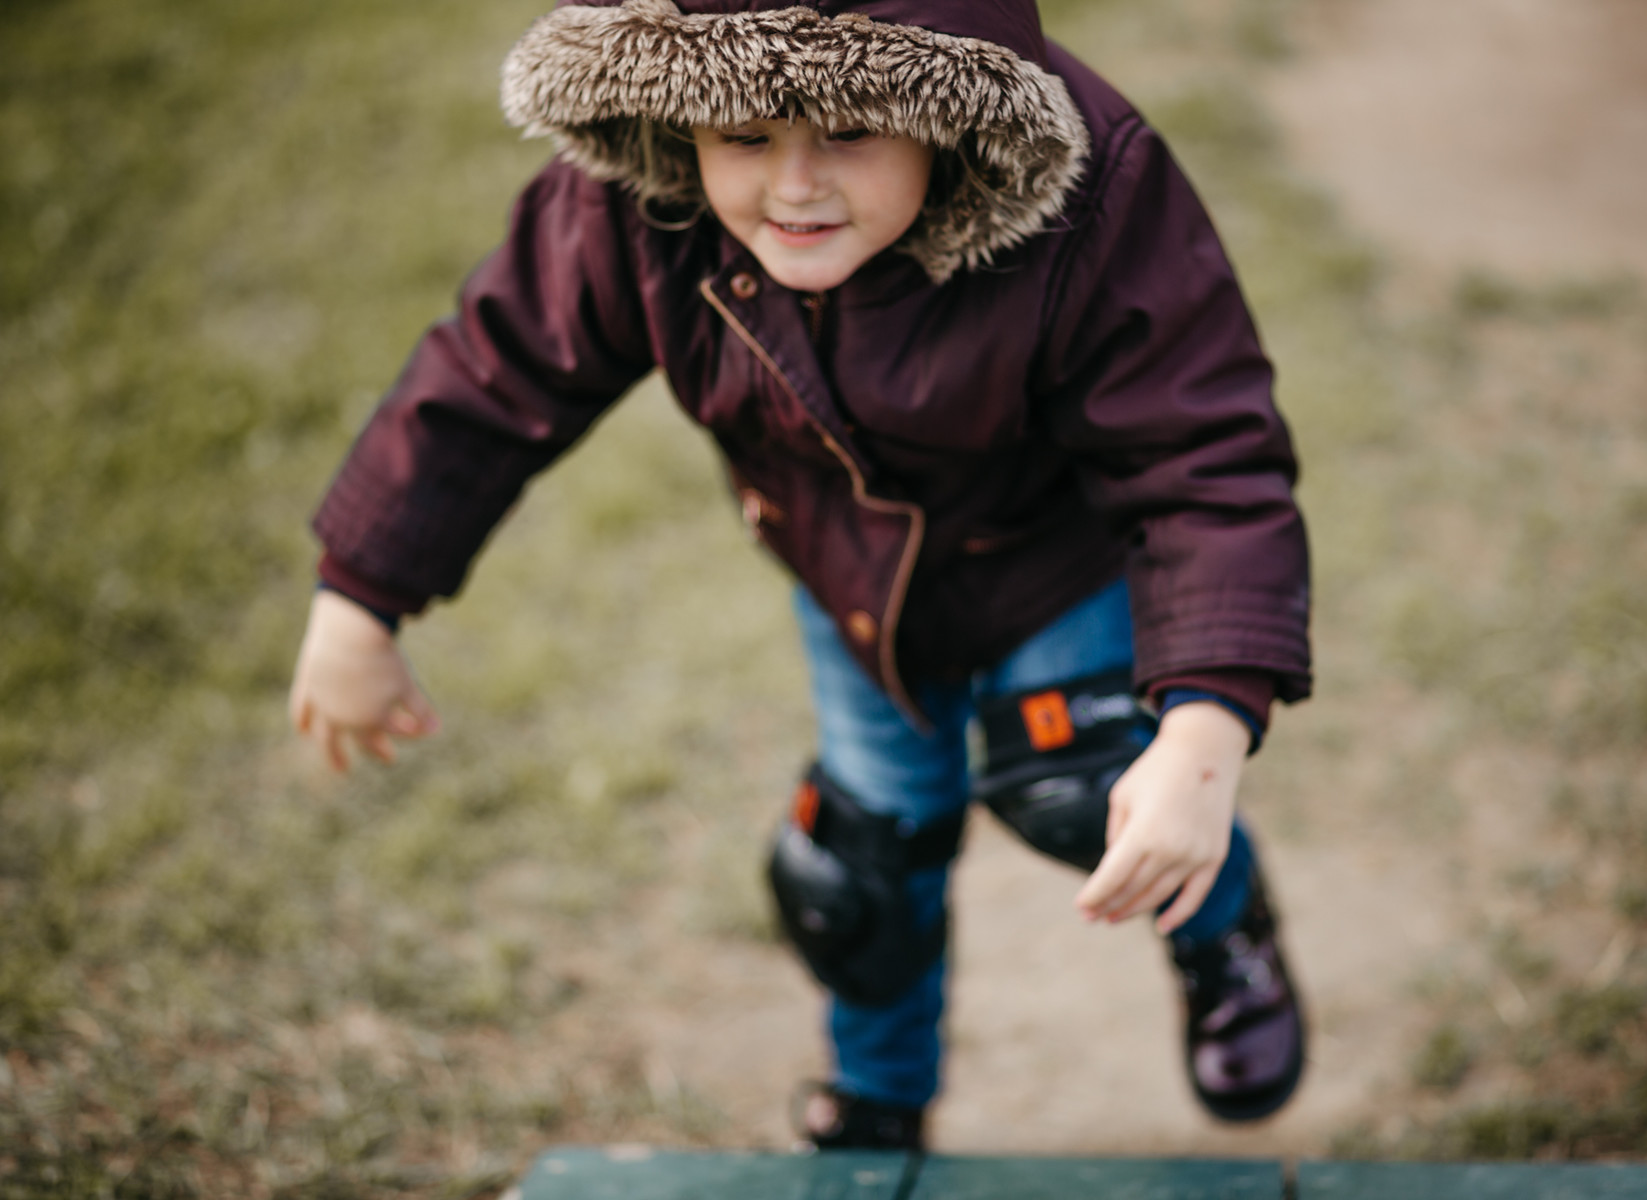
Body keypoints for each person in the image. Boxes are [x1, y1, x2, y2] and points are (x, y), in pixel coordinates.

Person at [289, 0, 1312, 1150]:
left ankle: (1225, 931)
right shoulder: (644, 197)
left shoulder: (1088, 187)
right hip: (849, 574)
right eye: (745, 136)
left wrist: (1208, 734)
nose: (793, 186)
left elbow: (1202, 456)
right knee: (861, 861)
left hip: (1048, 555)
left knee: (1102, 790)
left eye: (850, 133)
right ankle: (879, 1099)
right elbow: (495, 369)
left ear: (946, 115)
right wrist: (359, 594)